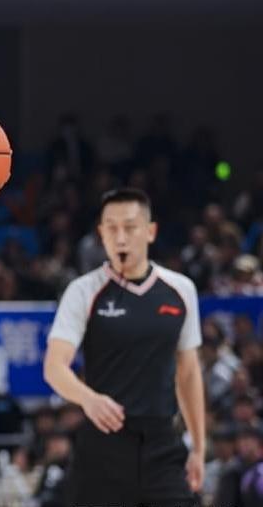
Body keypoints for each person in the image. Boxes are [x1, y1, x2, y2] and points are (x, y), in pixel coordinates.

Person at [44, 187, 205, 507]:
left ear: (150, 231)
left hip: (162, 443)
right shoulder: (83, 290)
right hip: (103, 444)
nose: (120, 238)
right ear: (101, 234)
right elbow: (54, 367)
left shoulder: (180, 290)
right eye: (112, 228)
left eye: (130, 228)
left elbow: (188, 372)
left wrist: (199, 448)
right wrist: (88, 399)